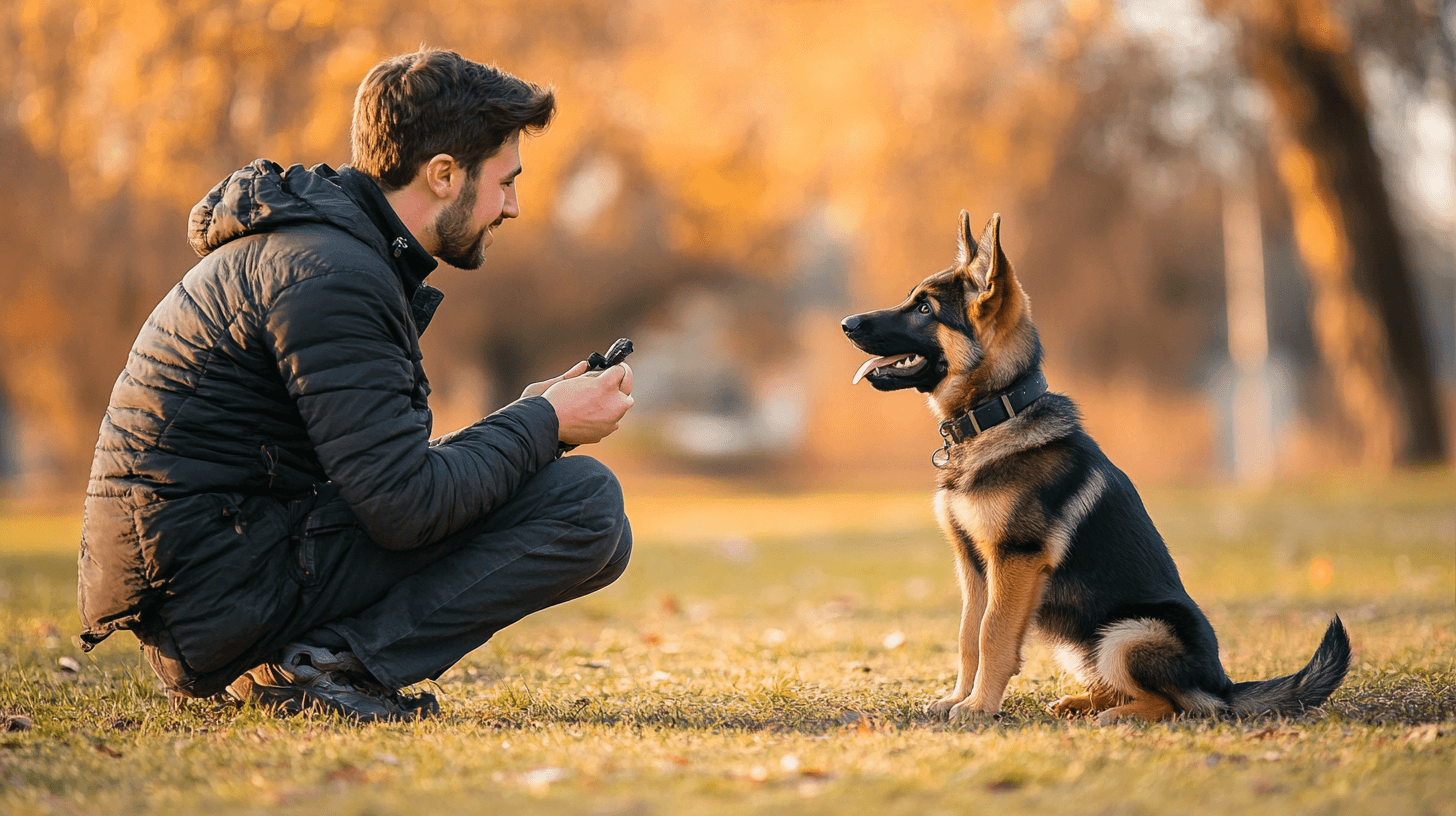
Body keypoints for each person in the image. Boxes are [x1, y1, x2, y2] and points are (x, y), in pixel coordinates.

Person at [76, 48, 635, 721]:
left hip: (223, 571)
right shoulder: (334, 278)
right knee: (584, 503)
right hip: (217, 593)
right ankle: (313, 669)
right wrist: (543, 426)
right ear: (443, 174)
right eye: (506, 181)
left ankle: (302, 662)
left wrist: (533, 413)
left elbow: (385, 476)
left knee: (601, 532)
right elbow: (403, 506)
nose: (513, 206)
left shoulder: (332, 252)